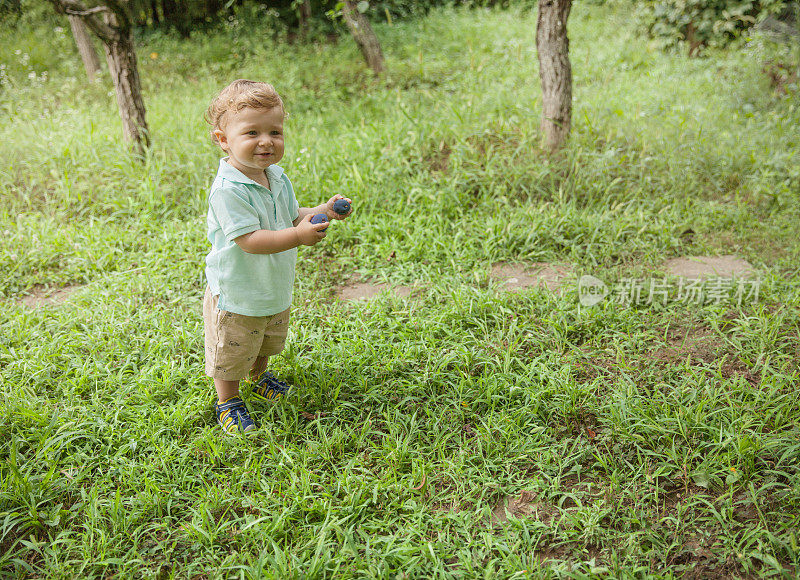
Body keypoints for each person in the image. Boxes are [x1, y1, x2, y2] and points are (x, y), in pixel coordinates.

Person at [202, 79, 352, 435]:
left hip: (271, 286)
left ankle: (260, 376)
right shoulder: (228, 190)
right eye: (252, 132)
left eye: (275, 131)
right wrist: (299, 237)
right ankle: (228, 401)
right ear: (223, 139)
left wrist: (322, 211)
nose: (266, 141)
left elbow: (291, 214)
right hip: (237, 292)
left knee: (266, 339)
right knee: (232, 351)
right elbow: (251, 240)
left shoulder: (276, 177)